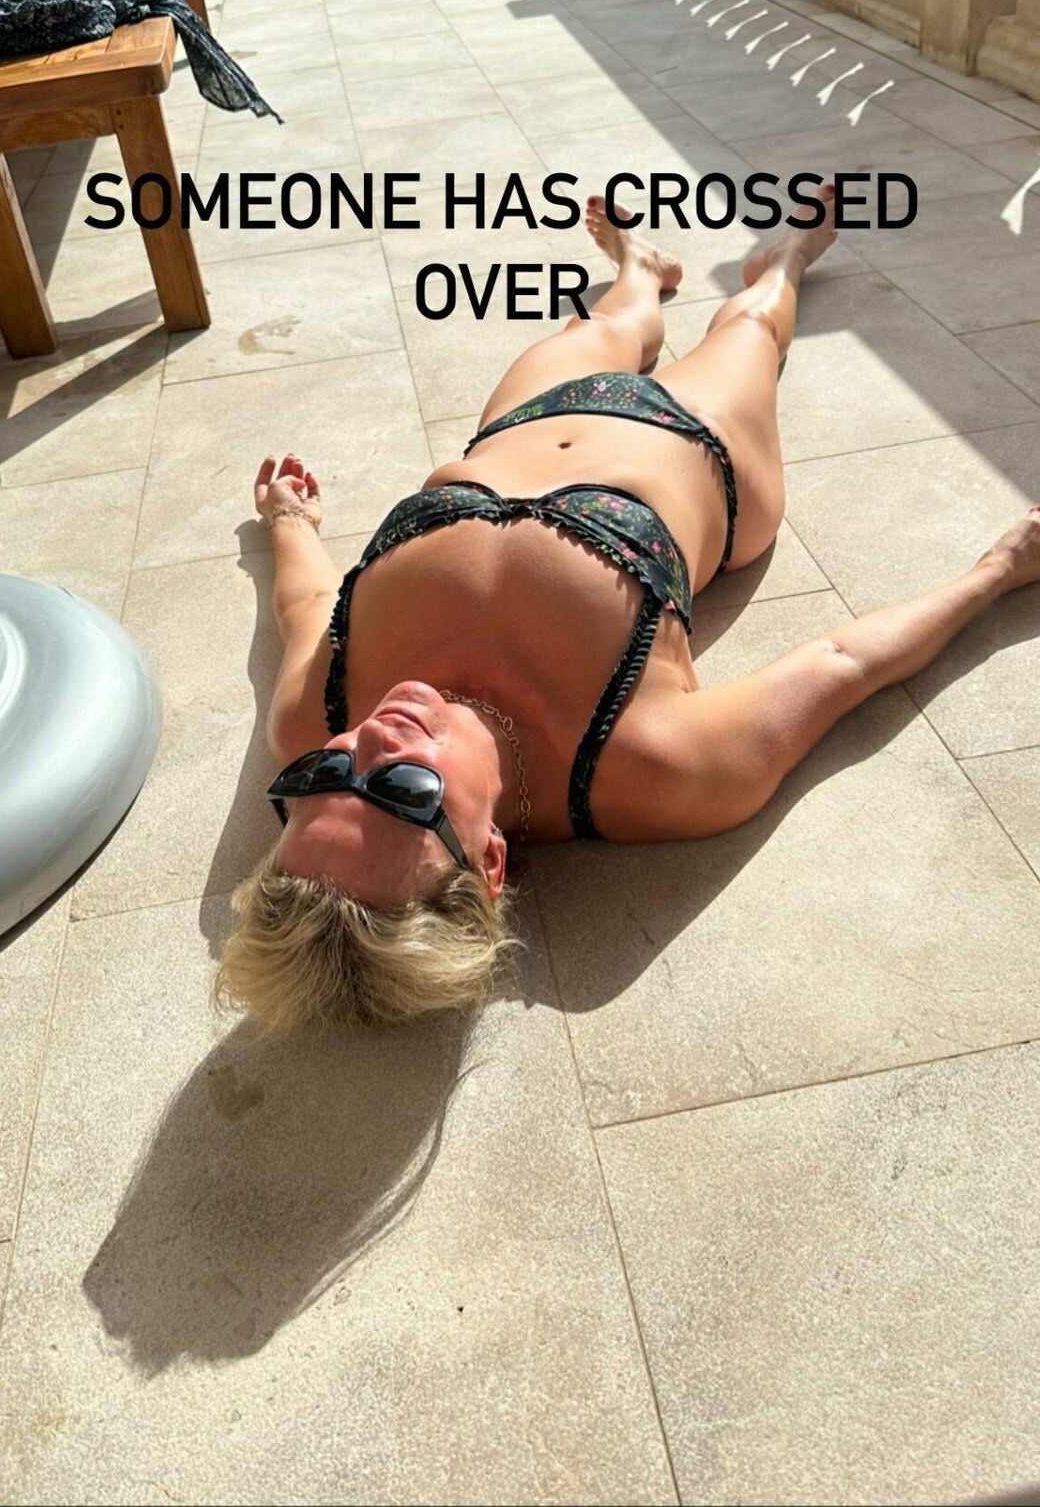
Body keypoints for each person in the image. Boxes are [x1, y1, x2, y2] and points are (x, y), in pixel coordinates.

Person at [216, 186, 1040, 1032]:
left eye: (324, 778)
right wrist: (999, 571)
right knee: (753, 322)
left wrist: (289, 522)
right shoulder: (649, 771)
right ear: (490, 862)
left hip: (517, 422)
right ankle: (787, 258)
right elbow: (844, 664)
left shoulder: (313, 715)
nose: (369, 743)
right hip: (701, 444)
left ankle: (641, 271)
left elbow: (307, 603)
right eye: (404, 788)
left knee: (611, 323)